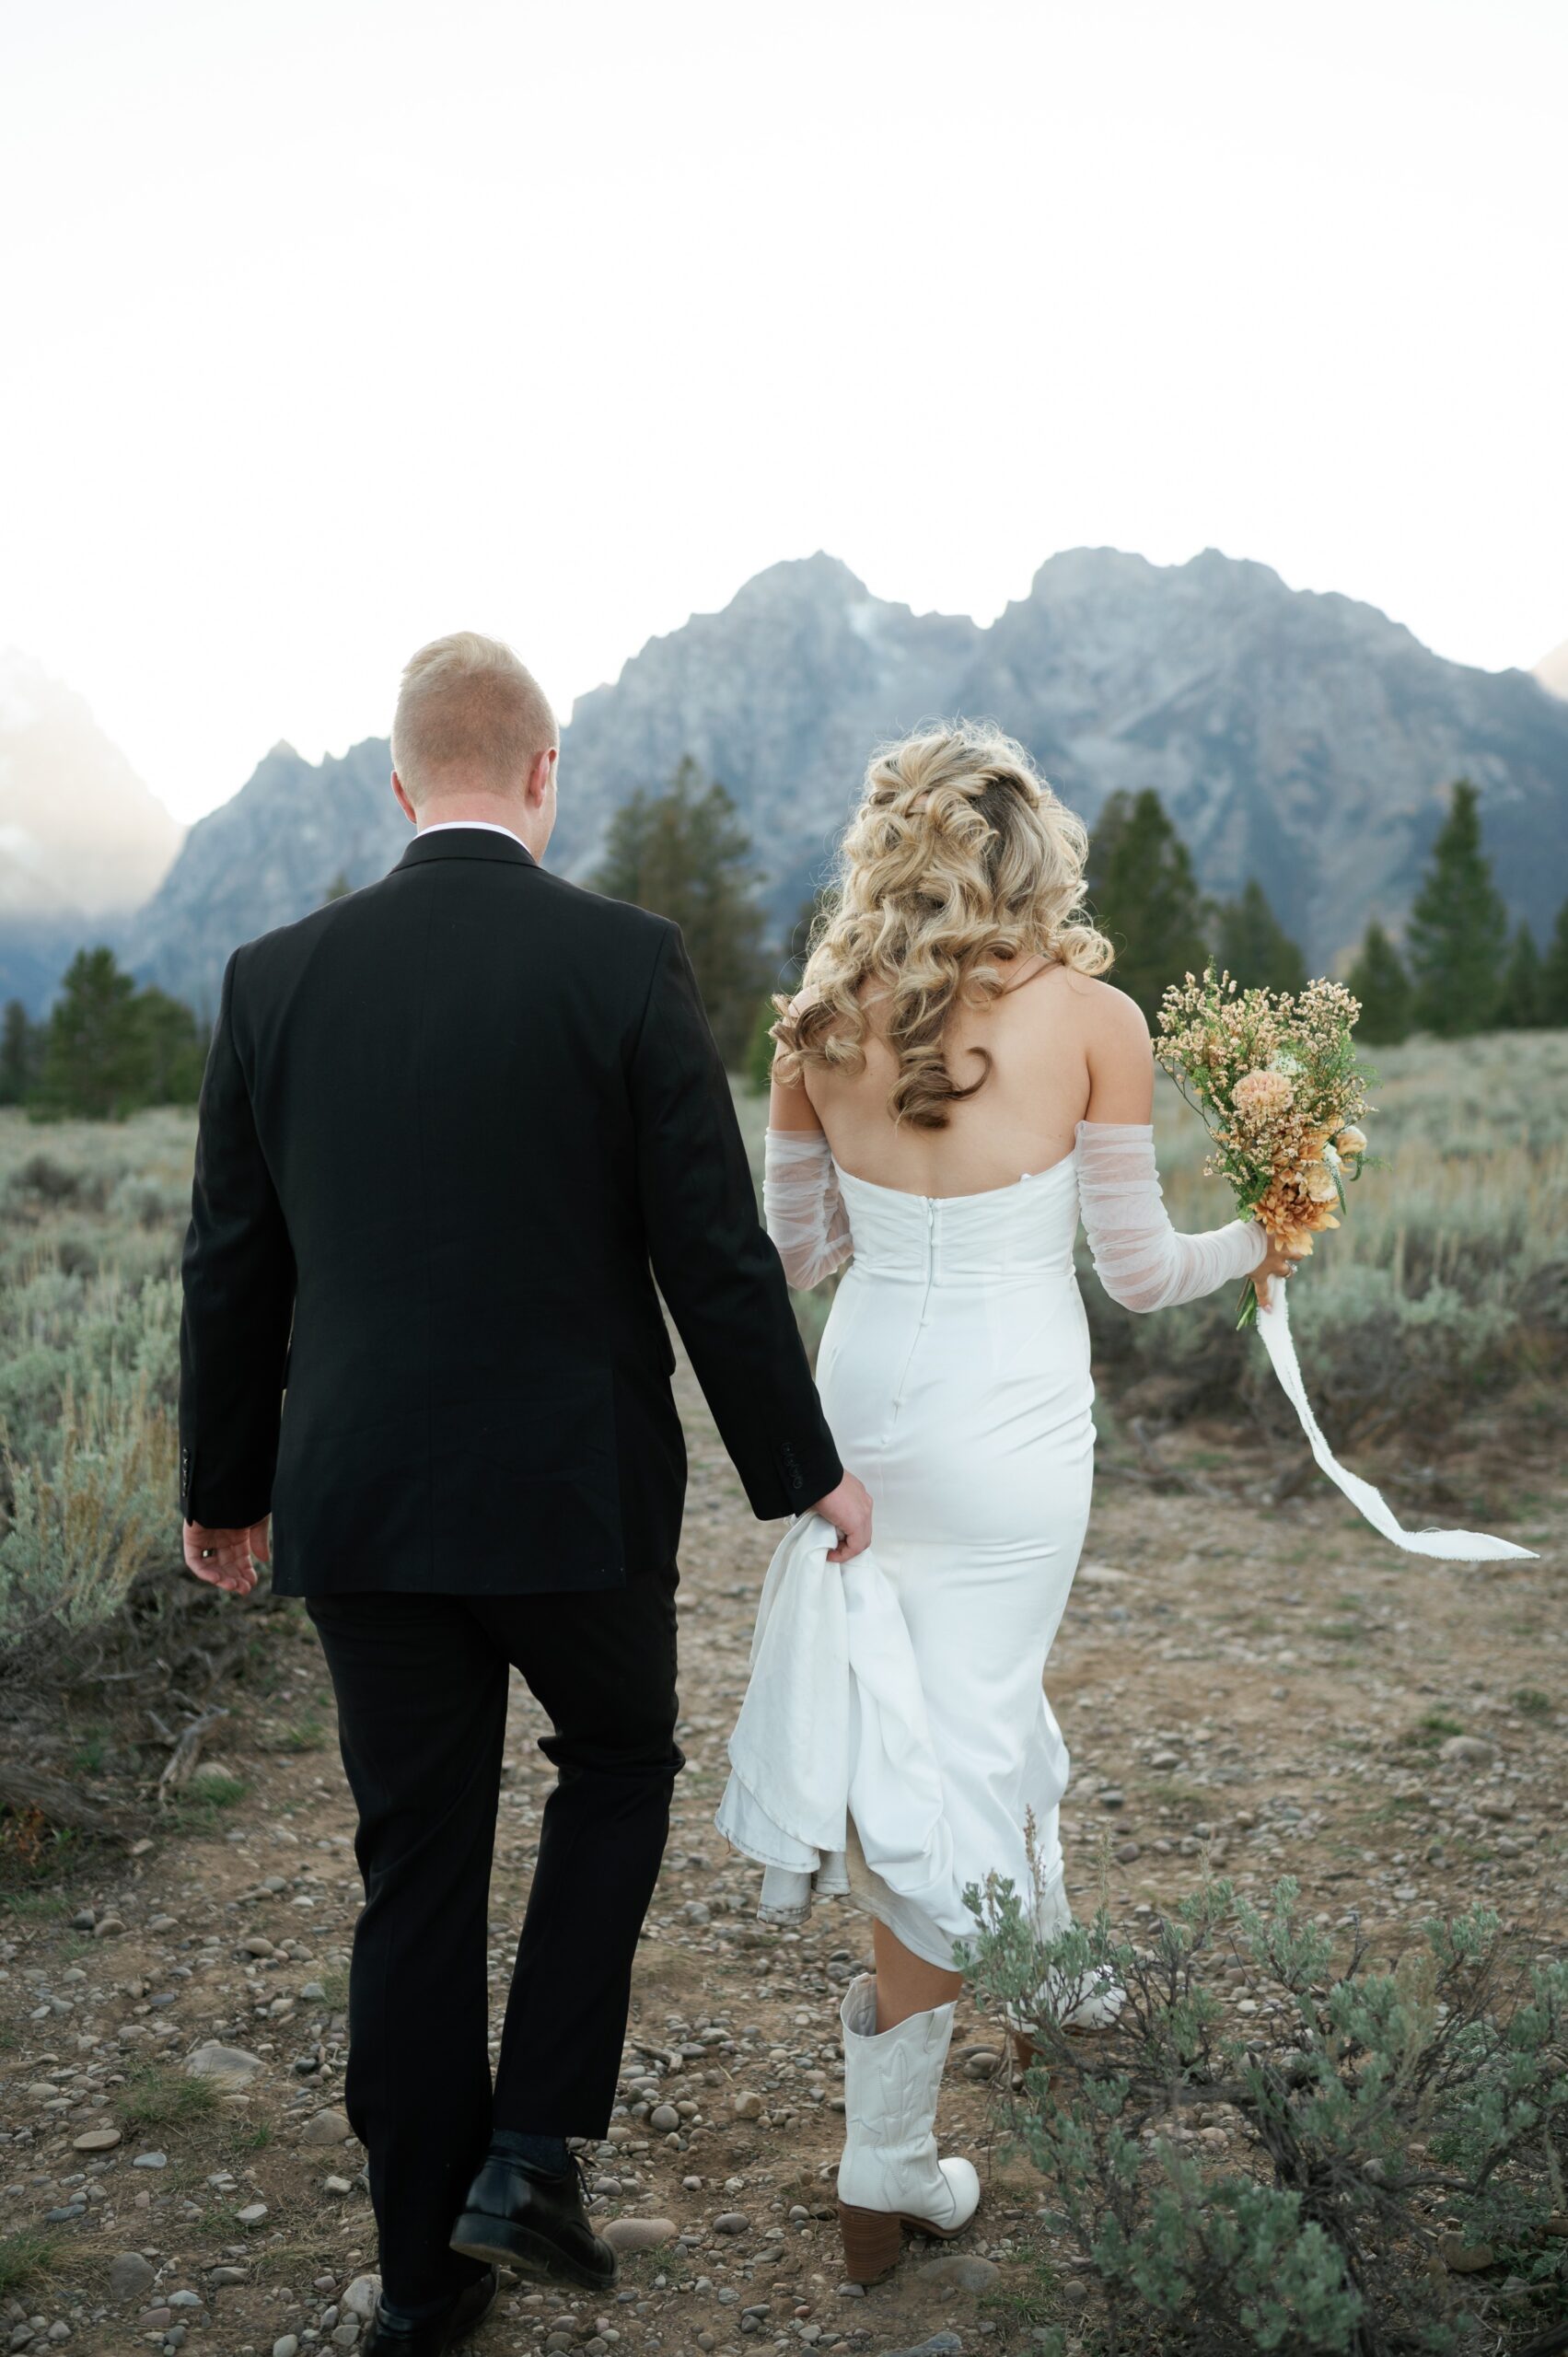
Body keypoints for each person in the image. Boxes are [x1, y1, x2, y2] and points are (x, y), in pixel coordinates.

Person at [176, 632, 869, 2357]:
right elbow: (711, 1255)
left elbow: (229, 1267)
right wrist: (806, 1472)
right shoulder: (624, 963)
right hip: (574, 1500)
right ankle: (534, 2148)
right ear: (548, 774)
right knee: (618, 1764)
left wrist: (224, 1485)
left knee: (414, 1867)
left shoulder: (274, 978)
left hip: (366, 1511)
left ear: (402, 783)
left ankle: (424, 2287)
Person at [758, 719, 1301, 2284]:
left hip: (860, 1417)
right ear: (1031, 853)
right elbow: (1137, 1274)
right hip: (1012, 1434)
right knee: (958, 1740)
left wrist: (891, 1187)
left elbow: (792, 1259)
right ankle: (885, 2168)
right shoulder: (1096, 1020)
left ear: (889, 852)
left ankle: (1046, 1975)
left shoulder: (816, 1028)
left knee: (965, 1712)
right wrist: (1257, 1242)